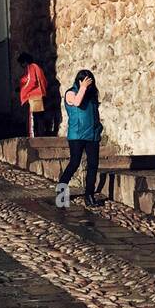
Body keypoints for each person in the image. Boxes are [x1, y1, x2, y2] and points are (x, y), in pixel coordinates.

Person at [60, 69, 103, 209]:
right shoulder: (70, 93)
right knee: (74, 163)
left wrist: (98, 127)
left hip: (92, 135)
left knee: (93, 165)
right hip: (77, 135)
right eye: (85, 81)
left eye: (90, 82)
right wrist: (82, 87)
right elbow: (77, 103)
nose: (88, 85)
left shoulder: (91, 95)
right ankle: (61, 191)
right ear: (79, 81)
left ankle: (89, 195)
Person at [18, 52, 47, 138]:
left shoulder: (31, 67)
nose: (22, 67)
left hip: (34, 96)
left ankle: (33, 137)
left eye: (22, 64)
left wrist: (24, 91)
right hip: (40, 95)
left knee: (33, 119)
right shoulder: (38, 68)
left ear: (25, 62)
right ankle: (40, 136)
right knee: (39, 118)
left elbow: (32, 81)